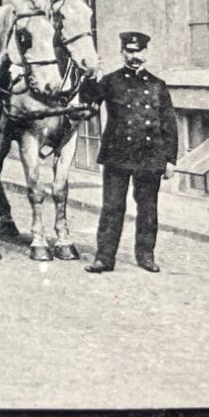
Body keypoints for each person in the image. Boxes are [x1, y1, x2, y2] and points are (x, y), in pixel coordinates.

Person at [81, 31, 179, 274]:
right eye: (130, 51)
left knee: (148, 209)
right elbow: (88, 99)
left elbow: (168, 123)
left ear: (146, 53)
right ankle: (104, 258)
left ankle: (146, 255)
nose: (134, 56)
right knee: (112, 207)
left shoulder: (158, 85)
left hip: (150, 155)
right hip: (118, 154)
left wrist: (170, 159)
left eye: (139, 51)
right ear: (122, 52)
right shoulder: (111, 81)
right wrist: (91, 77)